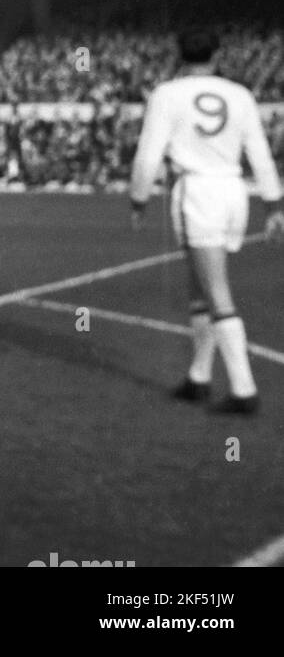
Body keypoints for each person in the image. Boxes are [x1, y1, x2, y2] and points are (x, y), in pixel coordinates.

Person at [129, 27, 284, 414]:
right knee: (200, 287)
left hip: (199, 192)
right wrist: (274, 205)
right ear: (216, 56)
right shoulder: (240, 95)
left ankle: (243, 388)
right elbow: (260, 153)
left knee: (216, 292)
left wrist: (138, 199)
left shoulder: (167, 94)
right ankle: (199, 377)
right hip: (234, 191)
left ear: (179, 55)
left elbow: (149, 154)